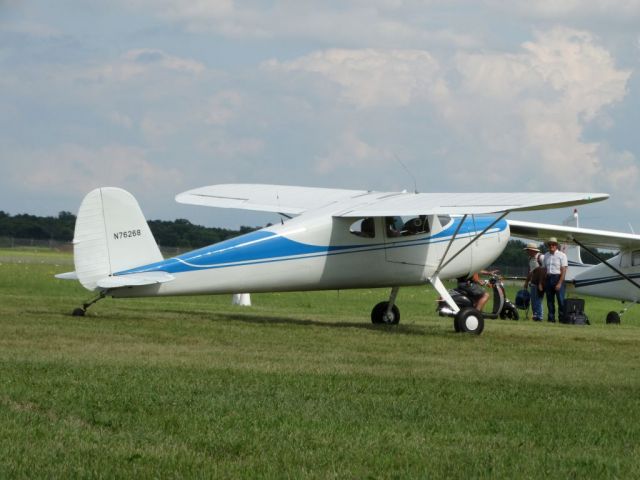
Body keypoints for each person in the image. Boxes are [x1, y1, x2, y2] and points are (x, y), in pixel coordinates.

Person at [541, 237, 568, 323]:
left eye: (553, 244)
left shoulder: (562, 255)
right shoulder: (546, 255)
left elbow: (564, 270)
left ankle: (562, 318)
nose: (551, 246)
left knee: (560, 300)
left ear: (556, 246)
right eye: (550, 244)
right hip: (548, 278)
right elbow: (544, 269)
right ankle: (551, 319)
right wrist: (542, 282)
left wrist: (559, 283)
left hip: (558, 278)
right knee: (549, 301)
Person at [523, 243, 544, 321]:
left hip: (540, 282)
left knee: (538, 299)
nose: (527, 252)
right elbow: (530, 271)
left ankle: (540, 316)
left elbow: (545, 269)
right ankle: (535, 315)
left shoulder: (541, 257)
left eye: (528, 250)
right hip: (533, 282)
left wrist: (541, 283)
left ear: (532, 250)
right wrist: (526, 282)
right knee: (533, 300)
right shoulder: (530, 259)